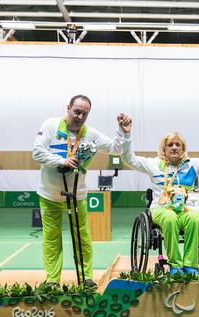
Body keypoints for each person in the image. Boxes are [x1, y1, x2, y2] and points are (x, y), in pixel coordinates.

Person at [119, 122, 199, 274]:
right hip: (161, 209)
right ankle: (175, 265)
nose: (174, 147)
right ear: (164, 149)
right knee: (169, 218)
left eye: (178, 144)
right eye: (170, 145)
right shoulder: (154, 164)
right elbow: (129, 159)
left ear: (183, 149)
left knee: (195, 218)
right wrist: (127, 135)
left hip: (182, 210)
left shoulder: (191, 165)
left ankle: (190, 265)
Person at [32, 95, 130, 287]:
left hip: (77, 195)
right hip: (49, 194)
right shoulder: (50, 125)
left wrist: (123, 132)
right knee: (51, 239)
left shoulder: (90, 133)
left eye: (84, 114)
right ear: (68, 108)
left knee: (82, 237)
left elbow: (116, 148)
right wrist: (62, 161)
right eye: (77, 111)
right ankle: (52, 280)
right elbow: (37, 152)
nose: (80, 116)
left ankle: (86, 278)